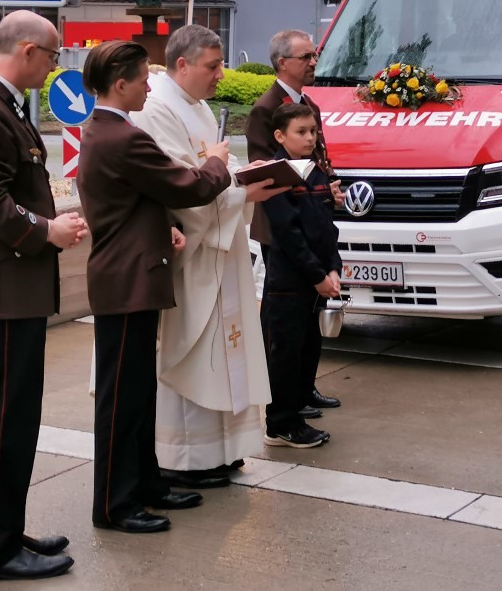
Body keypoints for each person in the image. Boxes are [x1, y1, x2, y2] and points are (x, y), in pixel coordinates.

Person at [0, 10, 87, 581]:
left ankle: (7, 528)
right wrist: (47, 230)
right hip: (2, 285)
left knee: (17, 416)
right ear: (27, 51)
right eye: (52, 55)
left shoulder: (1, 104)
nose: (53, 66)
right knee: (3, 420)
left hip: (13, 283)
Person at [77, 40, 233, 534]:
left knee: (138, 393)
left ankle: (145, 484)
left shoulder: (106, 131)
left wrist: (160, 225)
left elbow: (131, 200)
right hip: (127, 281)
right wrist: (217, 161)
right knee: (122, 400)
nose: (150, 85)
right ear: (120, 83)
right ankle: (114, 504)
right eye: (144, 78)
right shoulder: (123, 136)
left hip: (130, 274)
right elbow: (188, 186)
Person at [130, 25, 284, 490]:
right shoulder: (156, 108)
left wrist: (245, 176)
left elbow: (218, 166)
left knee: (223, 349)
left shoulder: (196, 105)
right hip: (191, 253)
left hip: (220, 247)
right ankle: (182, 457)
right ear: (182, 64)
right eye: (213, 66)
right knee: (192, 352)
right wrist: (240, 191)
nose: (221, 75)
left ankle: (220, 451)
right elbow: (177, 184)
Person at [245, 30, 343, 417]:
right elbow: (264, 168)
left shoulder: (309, 104)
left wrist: (328, 187)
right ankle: (282, 396)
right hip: (283, 224)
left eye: (314, 55)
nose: (313, 62)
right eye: (306, 57)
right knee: (283, 318)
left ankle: (305, 387)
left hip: (313, 216)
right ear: (282, 62)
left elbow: (319, 158)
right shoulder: (266, 107)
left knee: (312, 310)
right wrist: (310, 190)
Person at [261, 103, 343, 447]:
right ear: (280, 136)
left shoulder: (315, 172)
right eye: (301, 132)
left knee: (308, 349)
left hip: (315, 280)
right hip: (289, 283)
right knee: (285, 354)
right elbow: (288, 233)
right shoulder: (276, 174)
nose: (310, 138)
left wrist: (333, 266)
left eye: (313, 131)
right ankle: (280, 423)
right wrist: (316, 275)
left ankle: (297, 414)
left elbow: (326, 226)